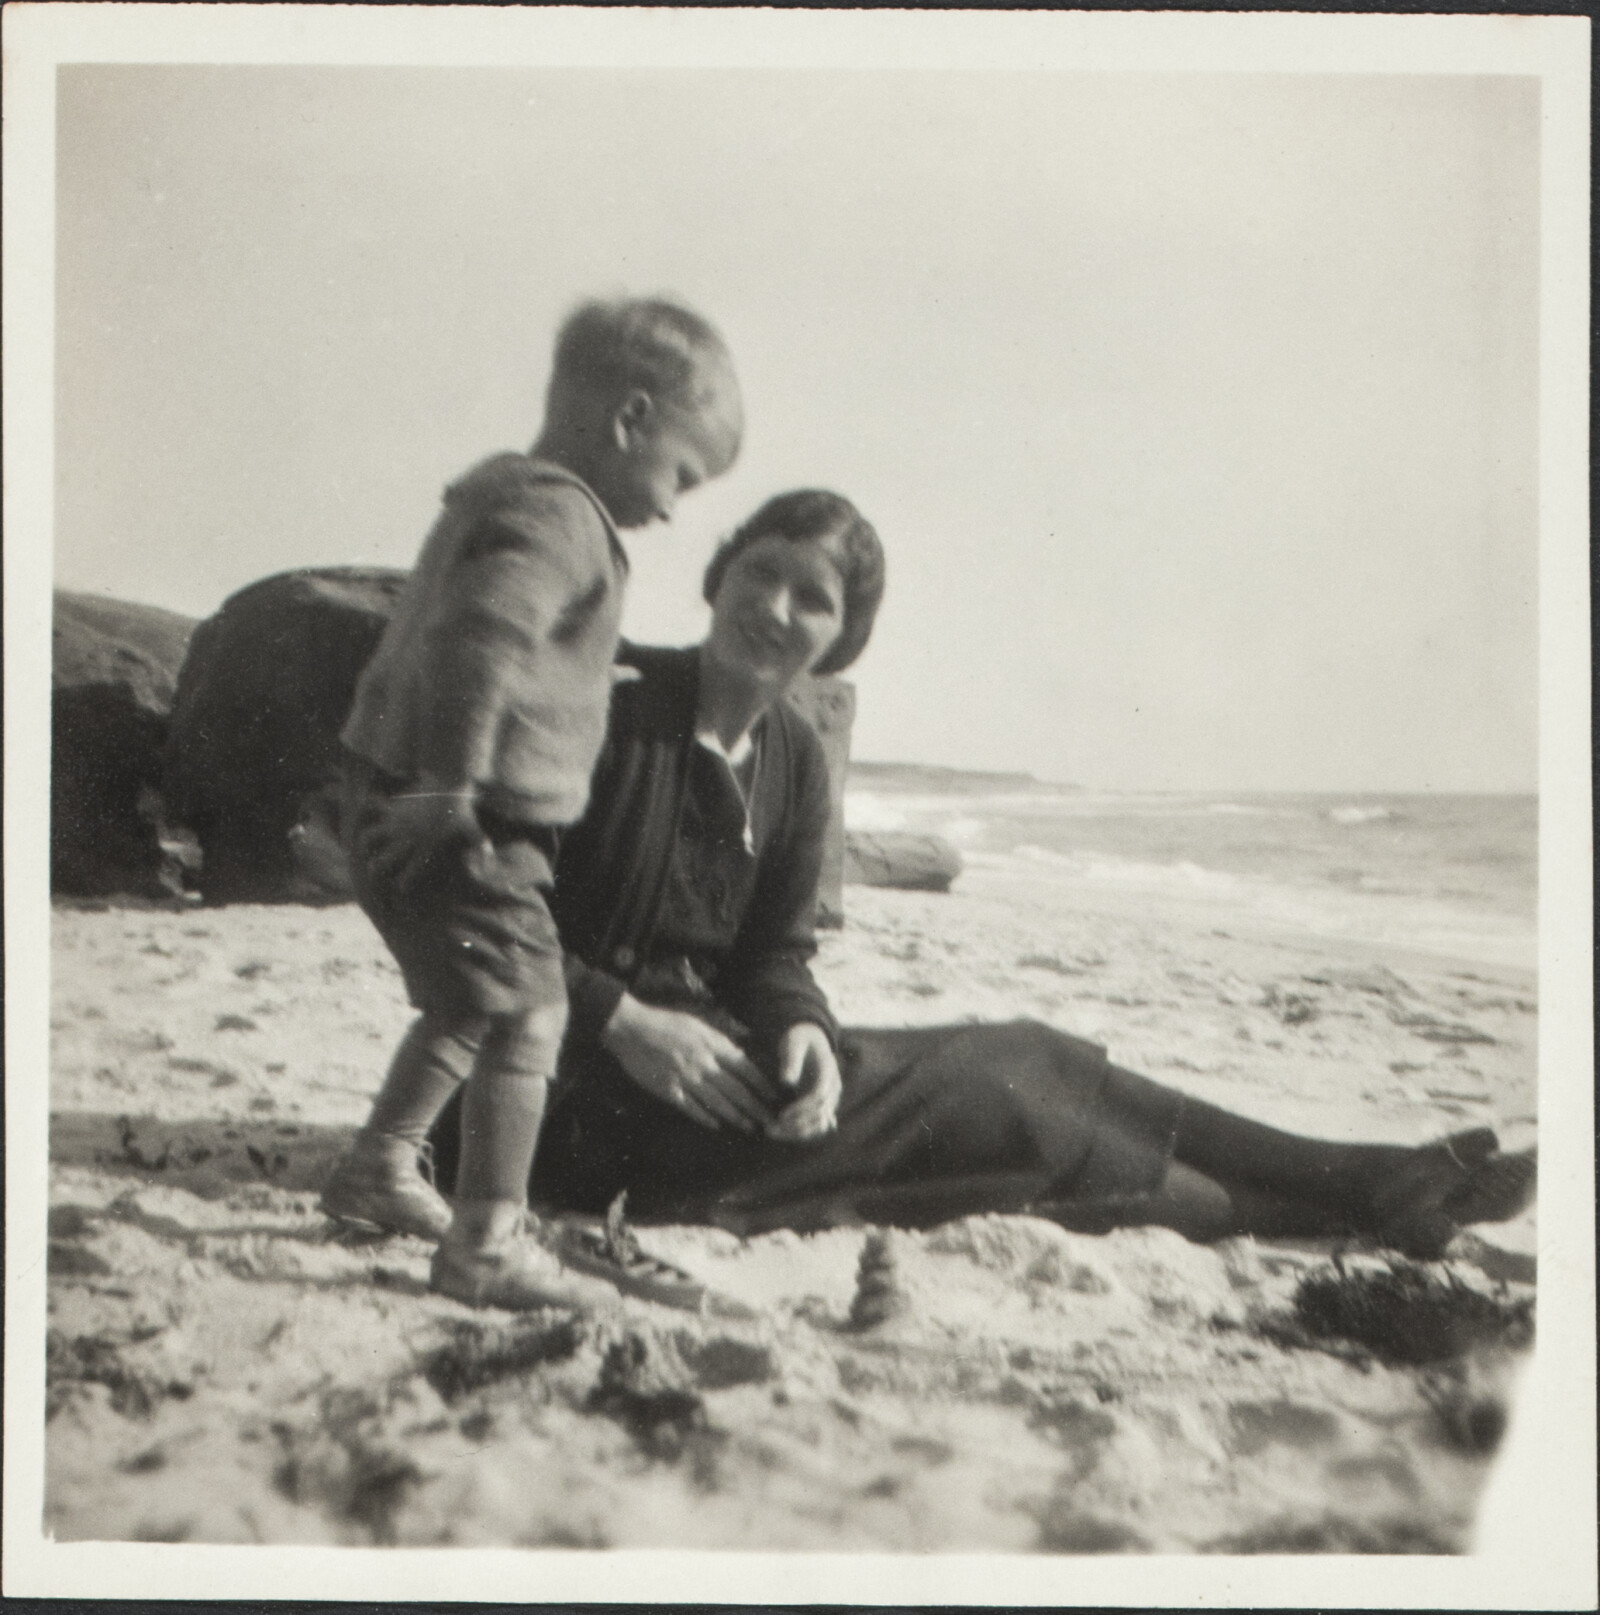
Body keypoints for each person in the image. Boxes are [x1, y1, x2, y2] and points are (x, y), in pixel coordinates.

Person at [426, 486, 1534, 1280]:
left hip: (720, 1082)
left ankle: (1370, 1198)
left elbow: (774, 959)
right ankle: (1363, 1180)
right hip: (553, 1107)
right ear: (719, 578)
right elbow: (473, 899)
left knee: (1018, 1132)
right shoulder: (613, 705)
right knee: (1015, 1076)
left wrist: (802, 1028)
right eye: (760, 573)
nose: (774, 607)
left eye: (811, 598)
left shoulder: (797, 758)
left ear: (840, 637)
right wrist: (626, 1022)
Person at [319, 296, 743, 1311]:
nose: (676, 506)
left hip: (399, 790)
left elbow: (509, 645)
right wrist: (449, 788)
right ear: (630, 418)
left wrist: (590, 686)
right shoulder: (561, 516)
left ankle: (380, 1166)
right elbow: (483, 640)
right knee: (532, 1015)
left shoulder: (501, 499)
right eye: (681, 475)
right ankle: (485, 1245)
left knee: (475, 999)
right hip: (465, 817)